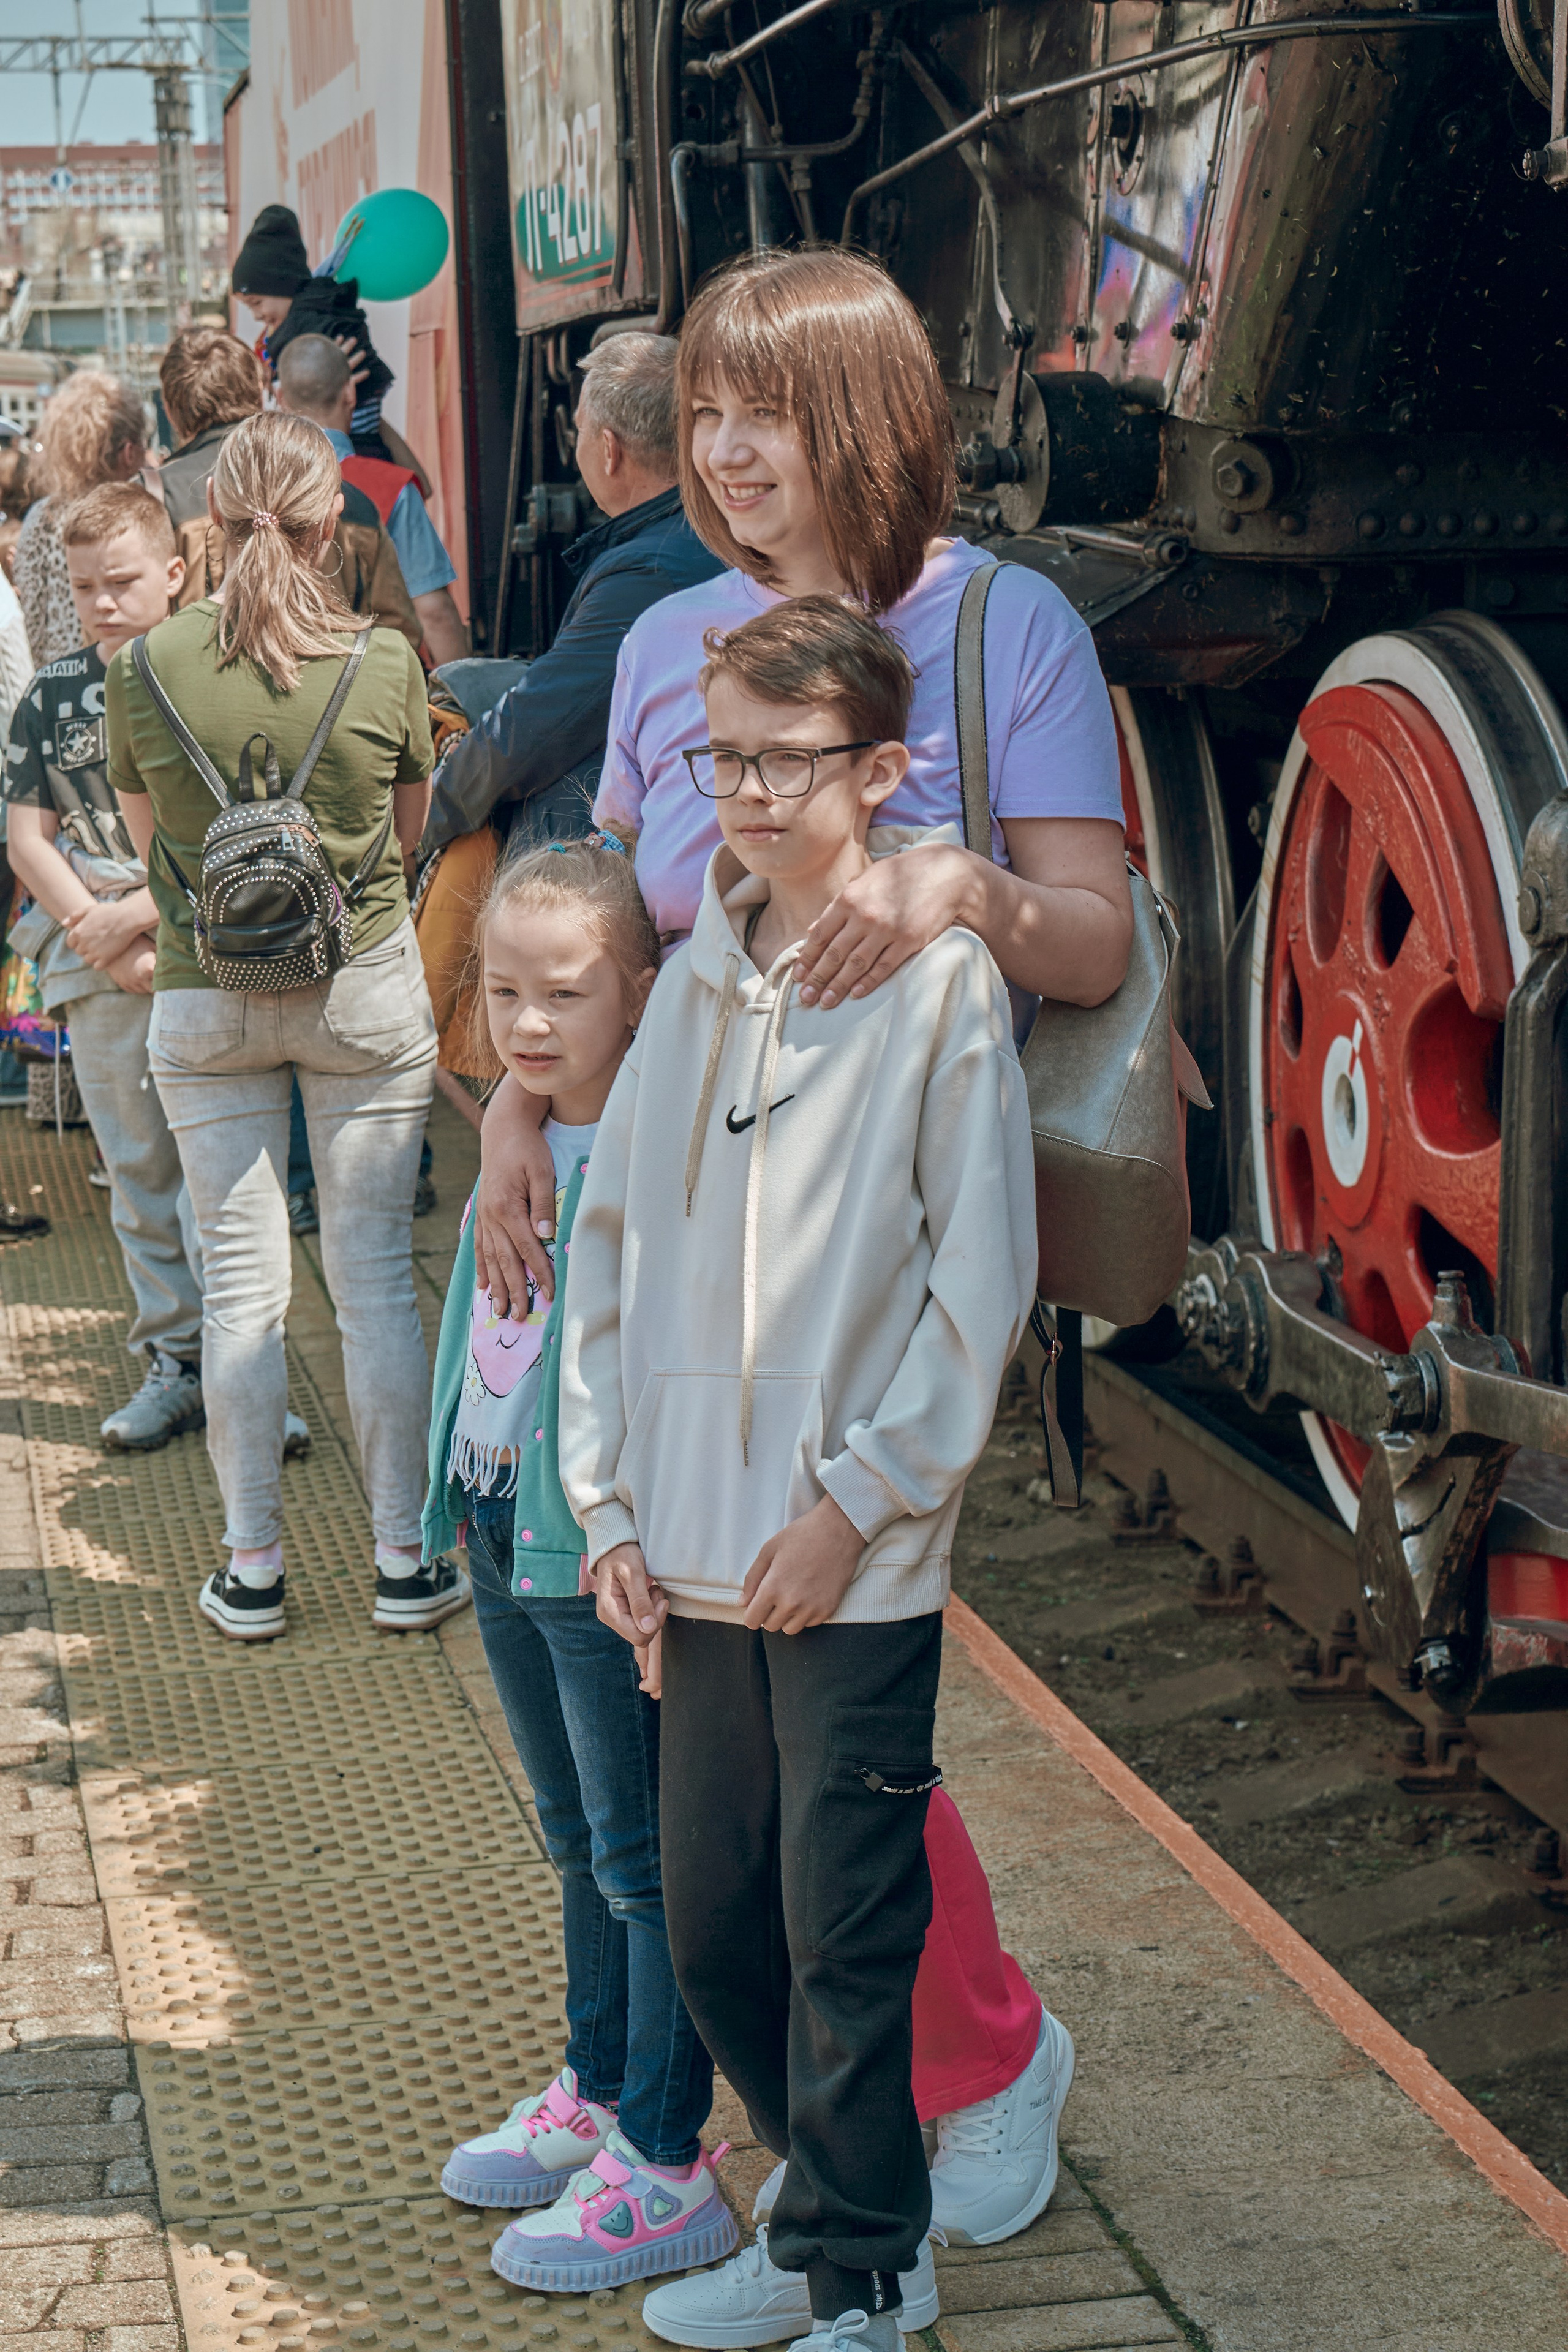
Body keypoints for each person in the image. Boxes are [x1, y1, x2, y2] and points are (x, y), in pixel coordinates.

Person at [476, 244, 1120, 2274]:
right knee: (724, 1714)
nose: (729, 452)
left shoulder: (1006, 625)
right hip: (677, 1244)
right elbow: (620, 937)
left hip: (893, 1251)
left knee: (839, 1704)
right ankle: (746, 2111)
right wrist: (517, 1101)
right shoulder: (676, 639)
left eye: (768, 409)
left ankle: (983, 2058)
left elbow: (1099, 939)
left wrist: (958, 881)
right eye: (714, 413)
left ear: (872, 417)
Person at [564, 597, 1038, 2351]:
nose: (746, 795)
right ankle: (811, 2197)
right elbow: (612, 1258)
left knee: (850, 1917)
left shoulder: (938, 984)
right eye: (722, 759)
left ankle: (865, 2264)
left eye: (783, 759)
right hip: (686, 1550)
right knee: (712, 1919)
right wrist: (608, 1505)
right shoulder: (693, 976)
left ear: (882, 767)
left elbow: (976, 1280)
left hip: (856, 1555)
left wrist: (860, 1505)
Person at [424, 835, 758, 2299]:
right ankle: (596, 2079)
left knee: (639, 1862)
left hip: (593, 1547)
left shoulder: (657, 1145)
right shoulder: (525, 1123)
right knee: (572, 1833)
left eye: (564, 994)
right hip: (501, 1514)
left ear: (640, 992)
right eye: (503, 993)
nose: (530, 1024)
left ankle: (667, 2150)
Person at [105, 411, 462, 1642]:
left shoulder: (143, 667)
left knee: (243, 1292)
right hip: (358, 988)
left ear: (206, 524)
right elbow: (408, 838)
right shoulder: (383, 664)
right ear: (332, 529)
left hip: (205, 996)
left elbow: (155, 840)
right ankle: (405, 1564)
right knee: (373, 1285)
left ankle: (252, 1570)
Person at [1, 480, 314, 1457]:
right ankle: (174, 1361)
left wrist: (137, 915)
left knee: (225, 1177)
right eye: (84, 585)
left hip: (207, 949)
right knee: (137, 1166)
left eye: (123, 581)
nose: (102, 602)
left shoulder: (215, 674)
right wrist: (94, 927)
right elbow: (26, 833)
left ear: (175, 575)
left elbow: (247, 821)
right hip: (95, 958)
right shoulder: (53, 693)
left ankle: (249, 1372)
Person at [422, 334, 722, 856]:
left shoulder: (646, 571)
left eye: (580, 430)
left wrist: (426, 817)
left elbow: (534, 730)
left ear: (609, 450)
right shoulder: (701, 536)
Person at [156, 325, 423, 652]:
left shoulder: (154, 500)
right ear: (259, 392)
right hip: (340, 689)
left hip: (186, 690)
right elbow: (397, 635)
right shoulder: (351, 500)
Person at [276, 334, 469, 666]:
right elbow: (434, 613)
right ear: (349, 394)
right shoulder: (390, 487)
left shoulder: (263, 485)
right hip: (373, 683)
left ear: (280, 398)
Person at [232, 202, 427, 477]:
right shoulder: (317, 313)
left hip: (353, 448)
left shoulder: (307, 328)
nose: (256, 316)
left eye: (257, 303)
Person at [14, 372, 149, 666]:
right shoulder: (139, 512)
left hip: (63, 680)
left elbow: (33, 619)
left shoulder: (41, 516)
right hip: (135, 672)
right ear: (129, 451)